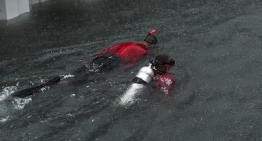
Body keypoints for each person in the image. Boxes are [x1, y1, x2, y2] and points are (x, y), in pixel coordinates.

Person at [12, 30, 158, 98]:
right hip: (114, 63)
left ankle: (46, 81)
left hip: (105, 57)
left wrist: (96, 57)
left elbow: (109, 49)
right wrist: (119, 73)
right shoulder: (143, 53)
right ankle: (61, 83)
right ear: (150, 45)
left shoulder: (129, 43)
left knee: (79, 71)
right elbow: (130, 64)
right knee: (87, 78)